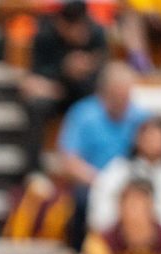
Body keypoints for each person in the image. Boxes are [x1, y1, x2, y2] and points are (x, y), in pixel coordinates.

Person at [56, 62, 150, 251]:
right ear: (105, 93)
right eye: (118, 96)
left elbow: (153, 153)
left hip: (132, 182)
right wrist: (100, 181)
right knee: (82, 200)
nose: (124, 102)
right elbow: (69, 160)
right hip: (93, 180)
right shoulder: (82, 114)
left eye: (127, 96)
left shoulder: (141, 117)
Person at [18, 0, 107, 178]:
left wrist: (86, 67)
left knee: (95, 104)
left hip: (84, 92)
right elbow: (33, 78)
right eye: (76, 27)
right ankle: (32, 171)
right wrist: (63, 71)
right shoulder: (45, 35)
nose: (82, 32)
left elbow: (103, 69)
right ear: (62, 25)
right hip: (55, 92)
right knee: (36, 106)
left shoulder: (96, 33)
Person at [88, 115, 161, 240]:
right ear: (137, 140)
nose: (153, 142)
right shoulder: (120, 169)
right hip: (124, 242)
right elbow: (99, 207)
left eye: (158, 137)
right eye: (148, 137)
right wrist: (122, 227)